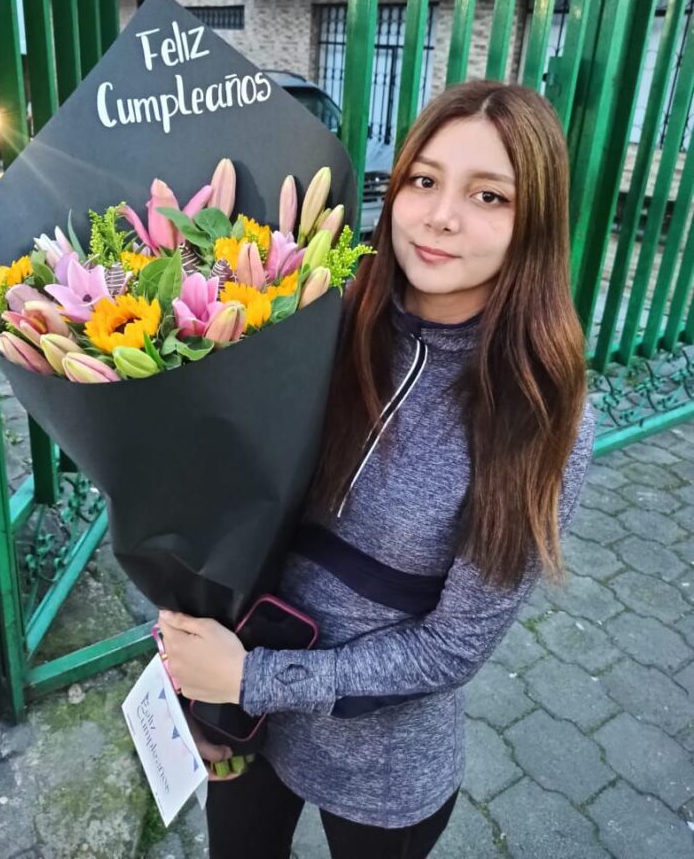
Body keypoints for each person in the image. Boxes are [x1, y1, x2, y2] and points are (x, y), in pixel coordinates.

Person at [158, 79, 597, 859]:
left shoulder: (537, 414)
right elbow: (213, 509)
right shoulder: (310, 321)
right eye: (423, 180)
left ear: (534, 222)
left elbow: (451, 648)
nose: (440, 215)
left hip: (381, 770)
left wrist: (252, 679)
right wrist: (192, 675)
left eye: (488, 196)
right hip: (243, 726)